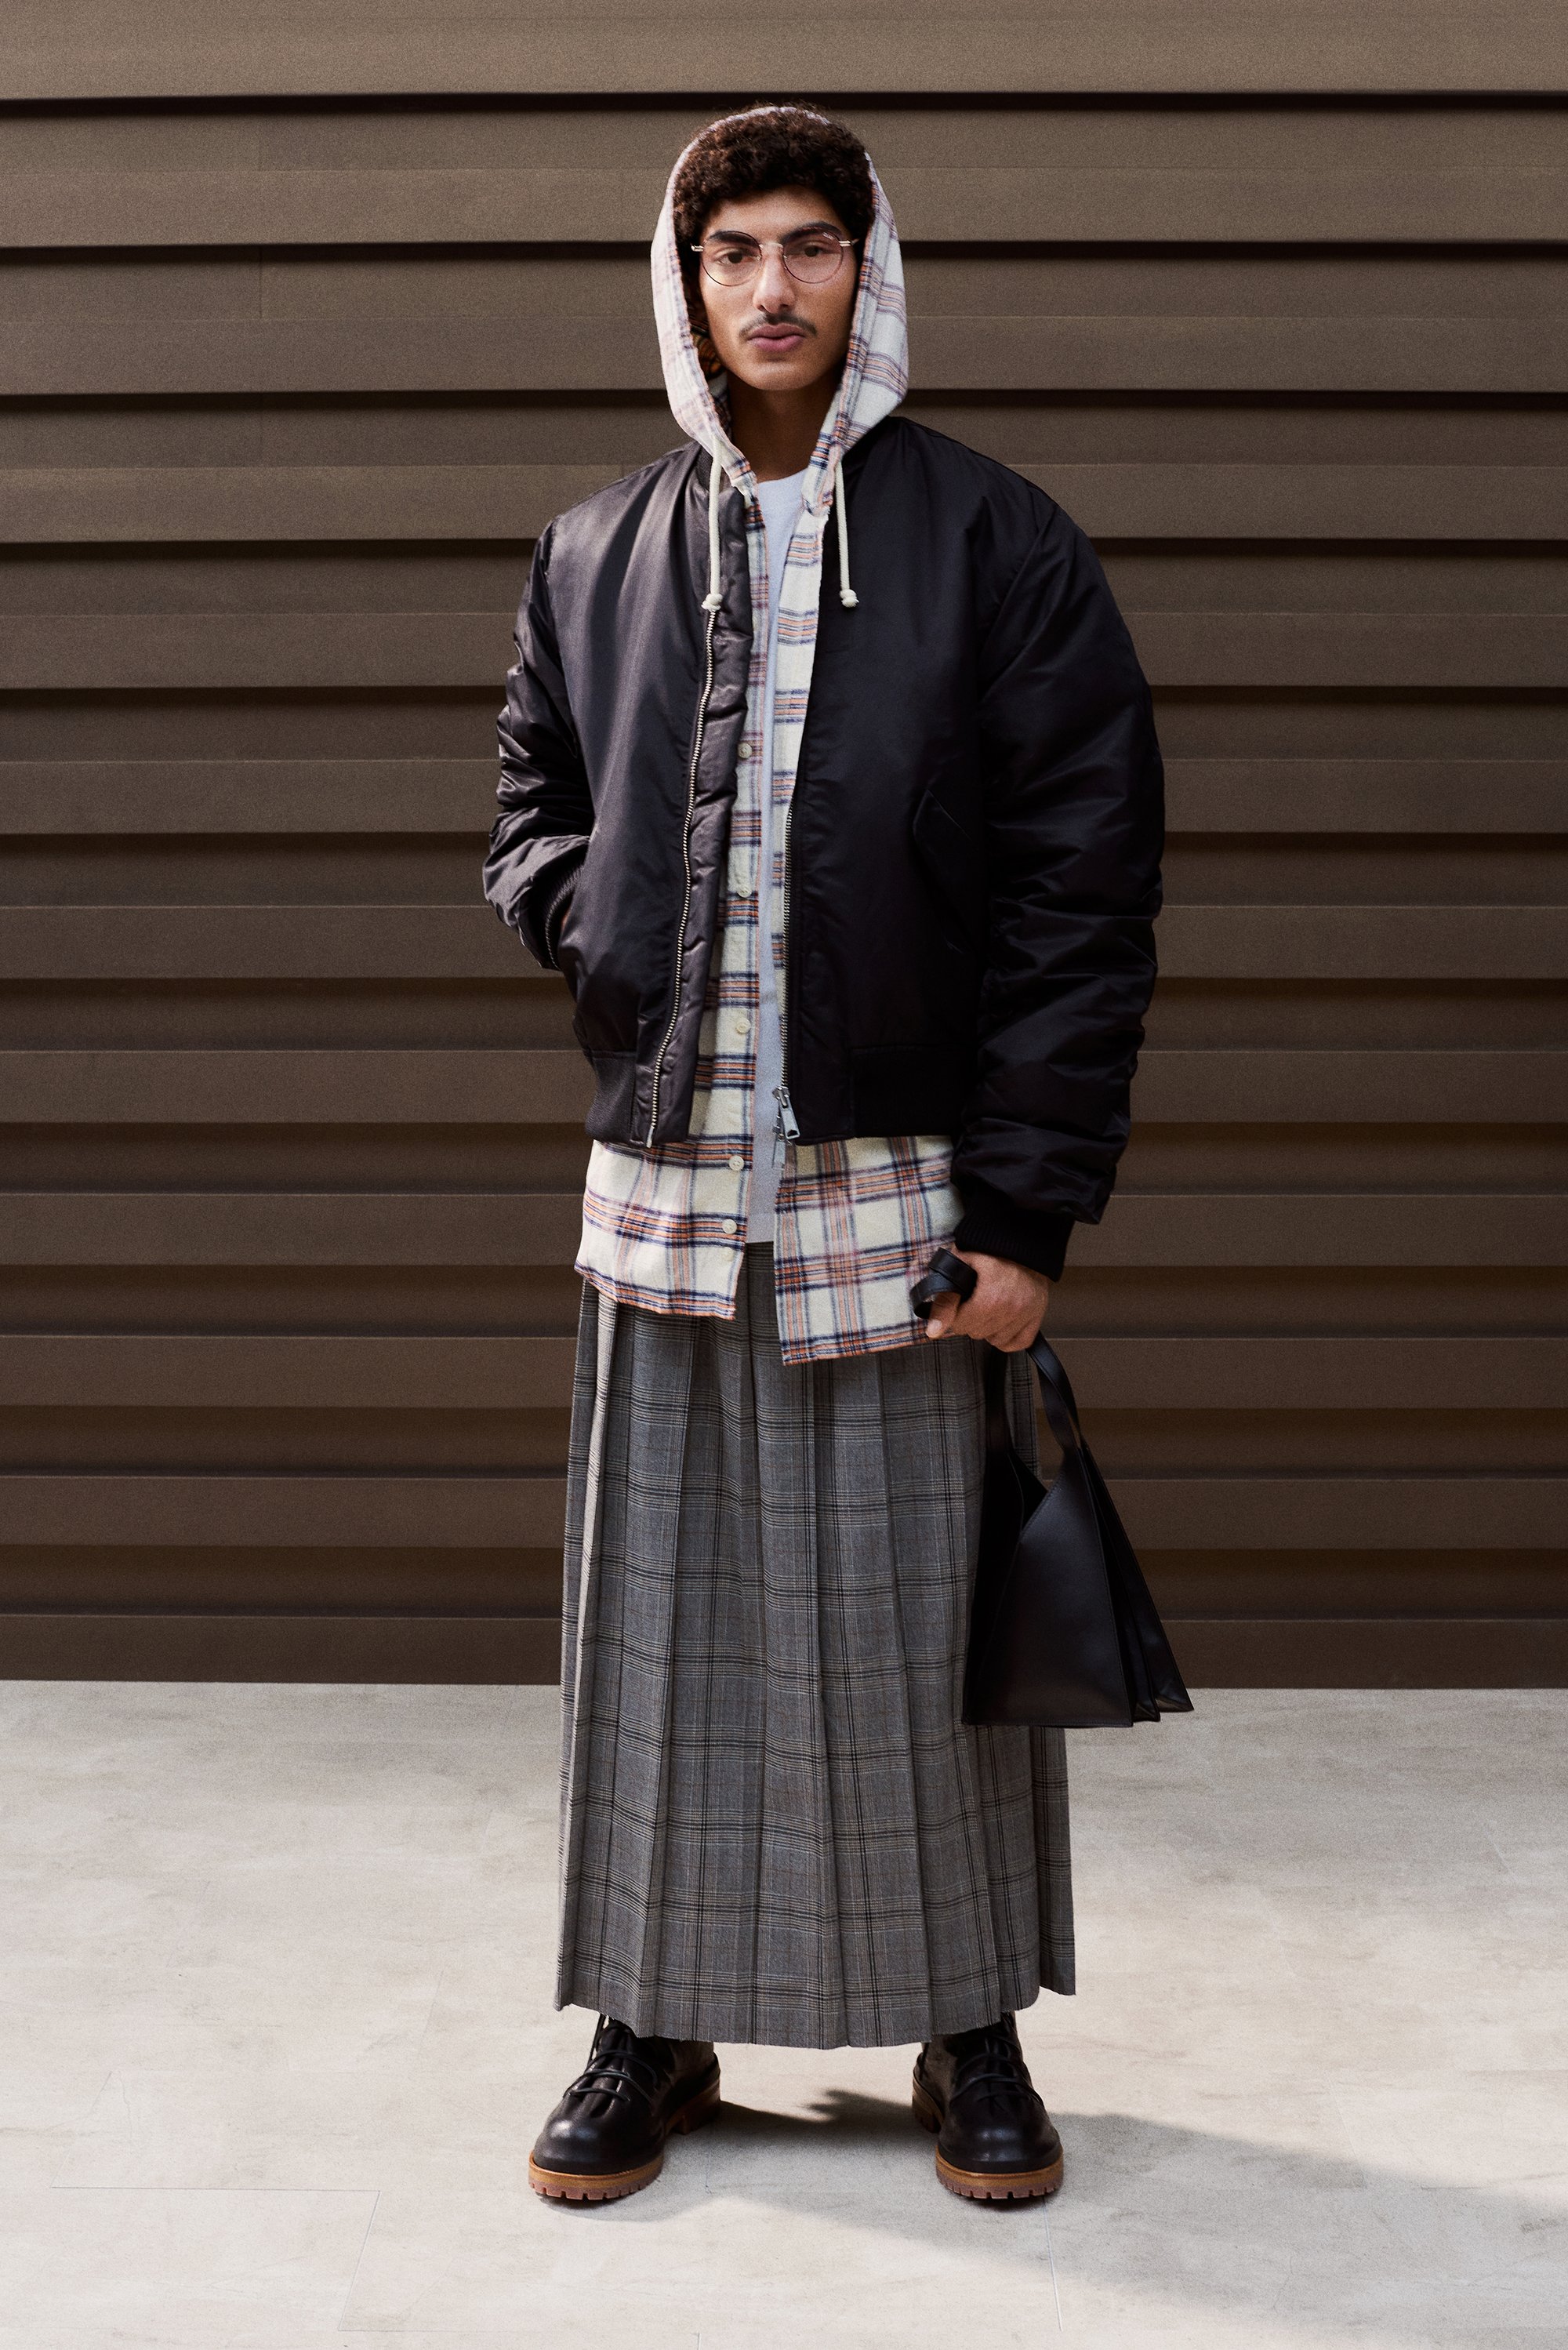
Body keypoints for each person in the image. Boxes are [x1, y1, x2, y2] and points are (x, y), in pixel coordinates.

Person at [485, 104, 1163, 2208]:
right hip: (668, 1185)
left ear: (873, 275)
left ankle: (971, 2032)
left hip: (905, 1188)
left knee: (914, 1631)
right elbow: (528, 807)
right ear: (683, 287)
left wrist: (1028, 1211)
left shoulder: (997, 543)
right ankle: (648, 2022)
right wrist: (604, 920)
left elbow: (1083, 894)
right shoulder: (597, 547)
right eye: (731, 254)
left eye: (810, 247)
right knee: (662, 1633)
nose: (769, 288)